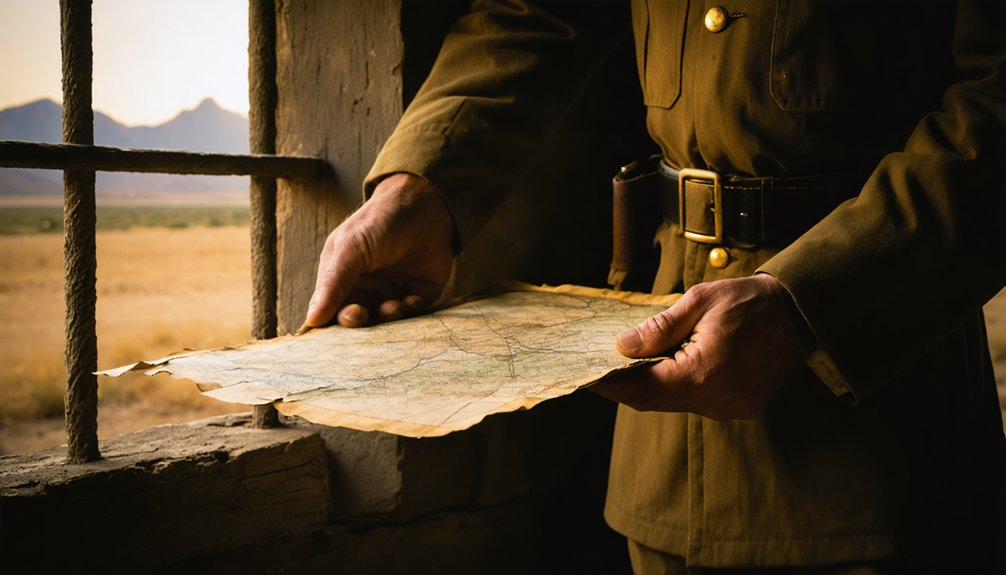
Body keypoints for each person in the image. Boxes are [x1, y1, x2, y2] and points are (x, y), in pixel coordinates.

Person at [305, 1, 1006, 572]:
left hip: (888, 423)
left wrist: (808, 299)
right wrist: (420, 185)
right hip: (663, 436)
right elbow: (540, 11)